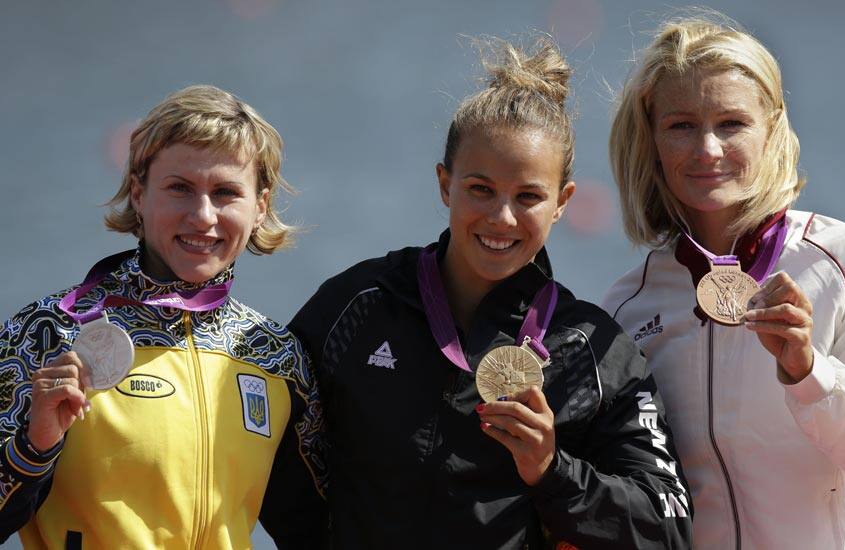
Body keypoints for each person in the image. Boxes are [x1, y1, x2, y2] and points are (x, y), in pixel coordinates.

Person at [289, 37, 693, 549]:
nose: (501, 218)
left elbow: (669, 526)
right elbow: (275, 452)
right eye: (480, 189)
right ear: (444, 184)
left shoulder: (591, 349)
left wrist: (552, 470)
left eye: (528, 197)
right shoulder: (361, 303)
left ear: (563, 203)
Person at [603, 13, 845, 550]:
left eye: (732, 123)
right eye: (682, 125)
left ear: (773, 128)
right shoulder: (626, 307)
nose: (707, 149)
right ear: (653, 138)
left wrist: (810, 374)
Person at [0, 85, 327, 548]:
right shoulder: (50, 333)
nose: (203, 216)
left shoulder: (276, 355)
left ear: (260, 207)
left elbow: (322, 530)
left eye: (226, 192)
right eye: (180, 188)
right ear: (138, 193)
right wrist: (35, 447)